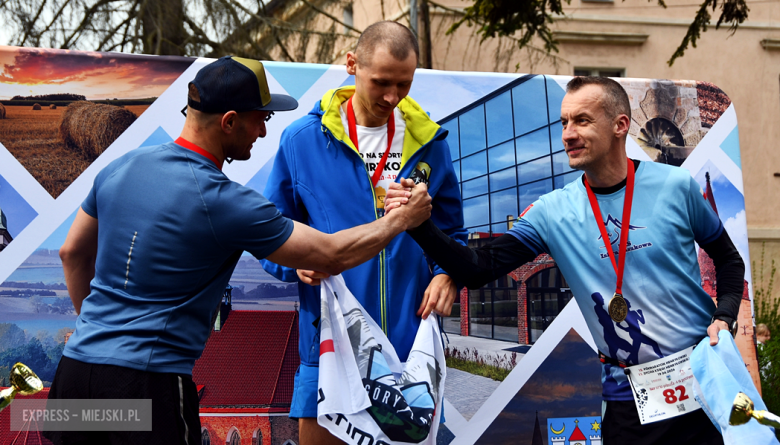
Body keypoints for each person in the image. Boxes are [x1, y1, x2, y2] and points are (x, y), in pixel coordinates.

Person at [44, 55, 432, 445]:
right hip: (146, 382)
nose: (263, 132)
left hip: (74, 375)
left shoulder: (121, 167)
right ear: (228, 121)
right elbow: (331, 254)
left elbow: (71, 253)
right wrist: (400, 220)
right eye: (259, 118)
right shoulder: (223, 201)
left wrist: (95, 333)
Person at [387, 76, 746, 444]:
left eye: (583, 121)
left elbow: (729, 261)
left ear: (621, 125)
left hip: (703, 388)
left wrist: (725, 316)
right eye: (564, 122)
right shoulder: (552, 212)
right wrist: (418, 225)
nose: (568, 134)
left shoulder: (676, 186)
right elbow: (478, 269)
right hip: (628, 400)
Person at [259, 21, 467, 444]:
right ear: (351, 64)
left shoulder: (431, 143)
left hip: (410, 358)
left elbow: (455, 237)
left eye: (403, 84)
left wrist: (449, 275)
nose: (392, 97)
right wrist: (294, 265)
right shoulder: (302, 140)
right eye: (382, 83)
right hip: (330, 351)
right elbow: (269, 237)